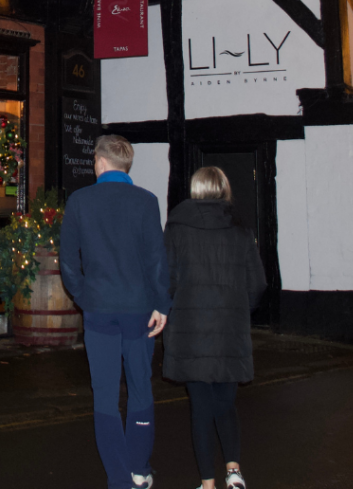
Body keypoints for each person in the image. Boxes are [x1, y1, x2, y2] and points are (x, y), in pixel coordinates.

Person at [60, 134, 170, 489]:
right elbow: (156, 261)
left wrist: (82, 295)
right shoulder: (146, 201)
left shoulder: (80, 201)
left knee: (104, 394)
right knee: (140, 388)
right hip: (139, 311)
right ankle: (139, 468)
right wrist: (161, 304)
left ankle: (120, 480)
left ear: (101, 163)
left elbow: (68, 261)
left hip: (99, 310)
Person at [163, 166, 267, 489]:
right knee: (225, 403)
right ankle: (234, 472)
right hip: (229, 329)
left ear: (196, 189)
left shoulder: (178, 227)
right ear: (224, 189)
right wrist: (239, 308)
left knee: (200, 408)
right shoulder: (240, 227)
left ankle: (207, 483)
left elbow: (167, 280)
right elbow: (258, 283)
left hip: (190, 330)